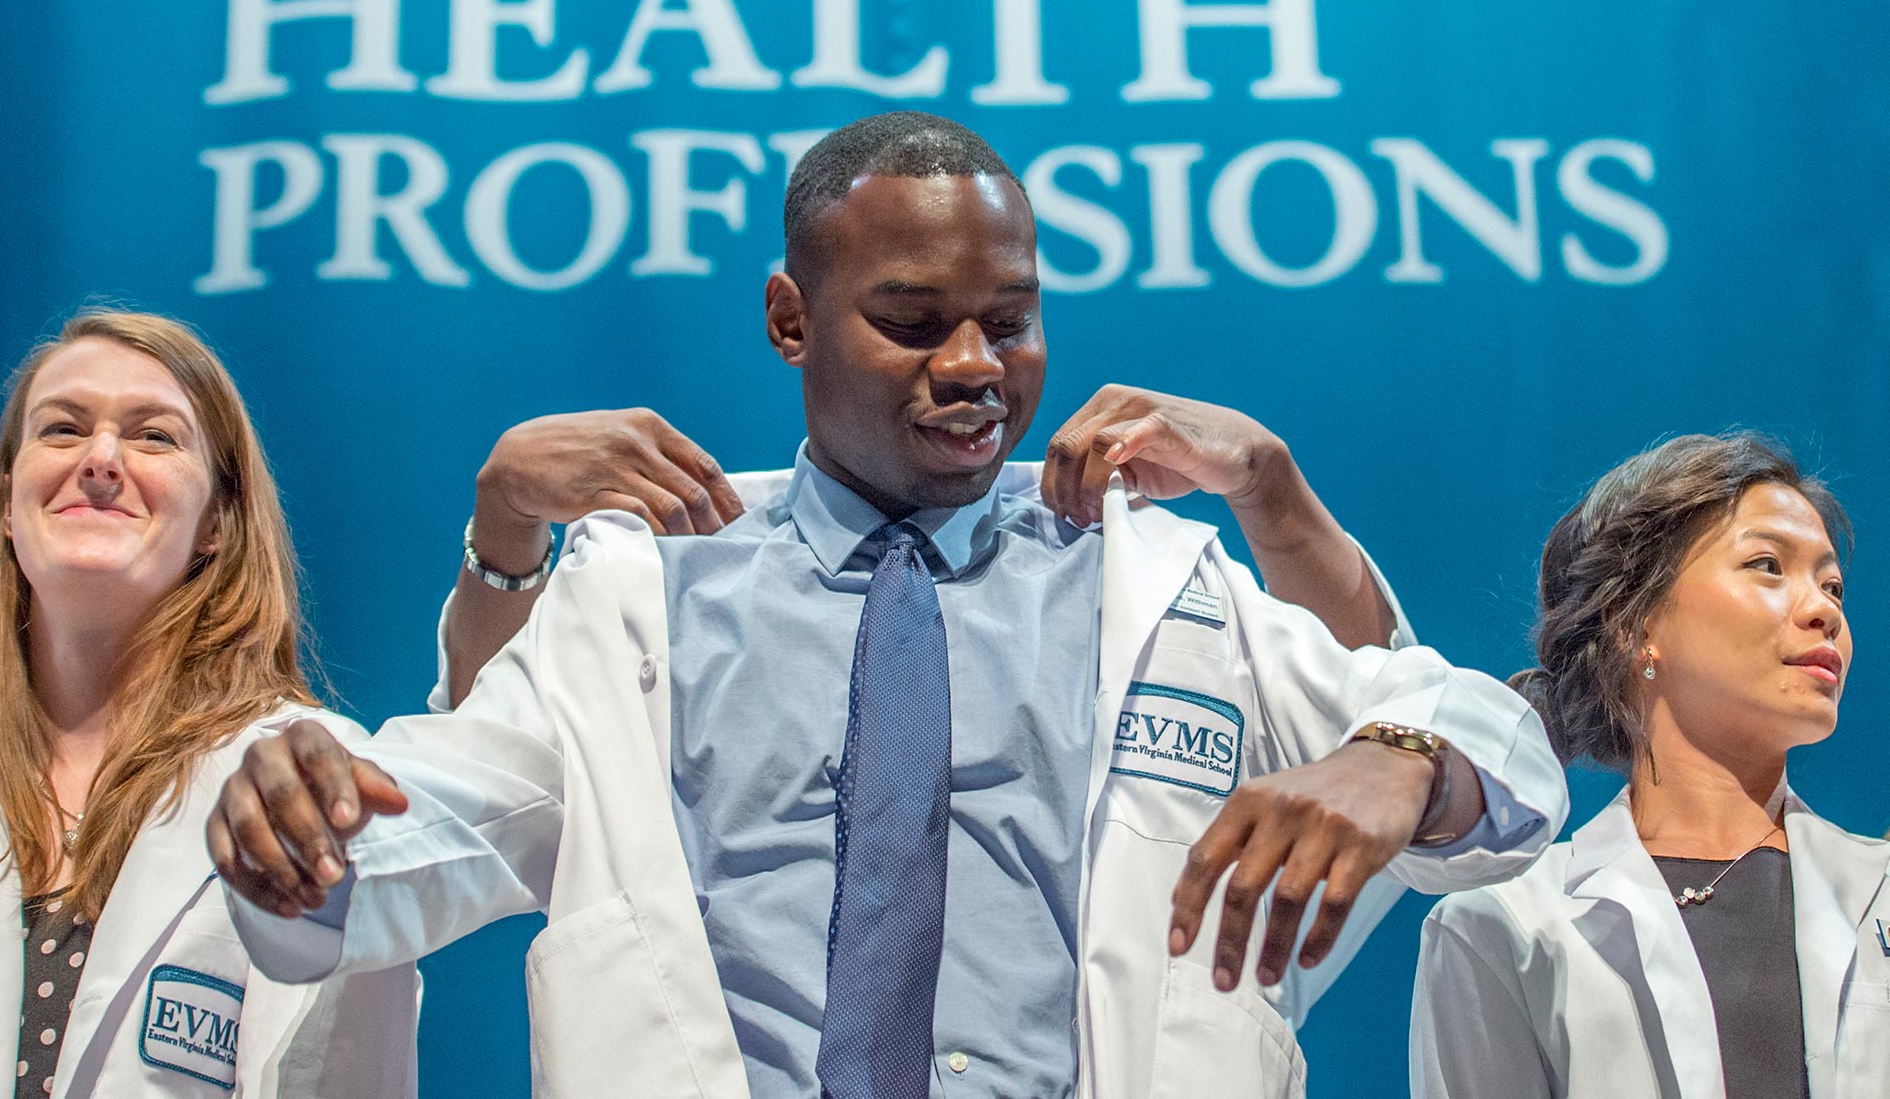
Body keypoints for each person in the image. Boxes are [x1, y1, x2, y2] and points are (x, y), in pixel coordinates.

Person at [207, 112, 1568, 1098]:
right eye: (913, 322)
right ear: (792, 320)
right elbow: (433, 817)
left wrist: (1402, 761)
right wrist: (300, 820)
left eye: (1013, 318)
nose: (977, 364)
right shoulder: (647, 590)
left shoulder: (1147, 568)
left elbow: (1482, 747)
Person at [0, 310, 420, 1098]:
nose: (101, 459)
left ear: (215, 522)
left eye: (153, 437)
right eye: (63, 429)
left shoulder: (303, 784)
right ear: (7, 505)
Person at [1410, 433, 1890, 1097]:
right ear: (1635, 623)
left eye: (1832, 584)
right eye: (1768, 566)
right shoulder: (1508, 927)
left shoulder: (1881, 891)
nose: (1824, 611)